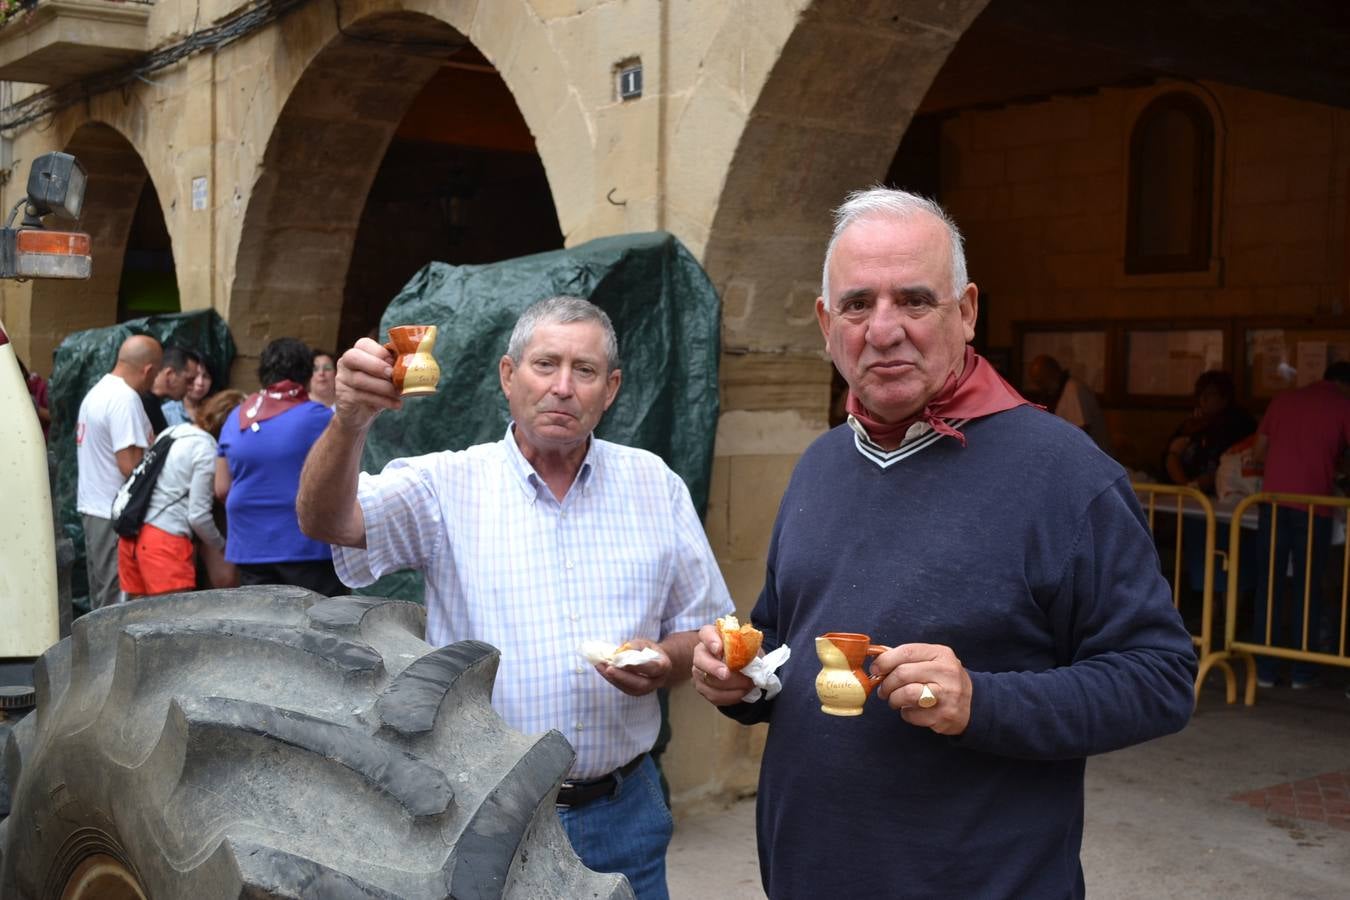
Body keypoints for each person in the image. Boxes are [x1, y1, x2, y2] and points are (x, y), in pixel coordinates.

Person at [690, 188, 1196, 900]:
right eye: (859, 304)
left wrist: (981, 703)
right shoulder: (821, 464)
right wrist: (741, 681)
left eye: (916, 300)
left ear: (966, 312)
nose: (884, 329)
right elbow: (783, 644)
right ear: (826, 323)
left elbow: (1160, 680)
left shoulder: (1064, 474)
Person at [296, 297, 732, 898]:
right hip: (484, 812)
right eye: (544, 364)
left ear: (610, 389)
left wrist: (663, 661)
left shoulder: (654, 484)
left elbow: (703, 630)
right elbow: (327, 520)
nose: (562, 387)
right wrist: (348, 420)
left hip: (622, 811)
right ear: (508, 376)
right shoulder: (444, 485)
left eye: (584, 371)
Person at [1249, 361, 1350, 689]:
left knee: (1270, 584)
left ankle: (1264, 669)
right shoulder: (1343, 405)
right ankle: (1302, 673)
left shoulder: (1283, 400)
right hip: (1314, 505)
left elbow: (1259, 452)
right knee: (1308, 587)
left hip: (1273, 502)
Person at [216, 338, 342, 595]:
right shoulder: (319, 417)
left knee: (259, 628)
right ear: (306, 374)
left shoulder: (235, 417)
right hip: (306, 545)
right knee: (314, 627)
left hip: (249, 543)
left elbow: (221, 488)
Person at [76, 334, 161, 609]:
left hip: (96, 510)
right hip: (114, 514)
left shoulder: (99, 391)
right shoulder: (124, 398)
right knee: (116, 605)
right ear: (148, 370)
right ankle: (109, 654)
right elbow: (130, 466)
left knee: (103, 599)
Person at [117, 411, 226, 598]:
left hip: (131, 536)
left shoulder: (172, 432)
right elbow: (198, 516)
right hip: (164, 542)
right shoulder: (206, 449)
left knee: (136, 621)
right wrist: (222, 545)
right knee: (173, 620)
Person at [1164, 370, 1255, 493]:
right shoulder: (1191, 424)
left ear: (1225, 398)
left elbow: (1234, 465)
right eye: (1200, 394)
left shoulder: (1239, 425)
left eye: (1210, 394)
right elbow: (1169, 456)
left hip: (1223, 495)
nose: (1203, 399)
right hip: (1183, 496)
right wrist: (1174, 455)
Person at [194, 389, 247, 589]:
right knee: (225, 583)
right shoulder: (208, 449)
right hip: (215, 522)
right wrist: (220, 545)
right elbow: (201, 511)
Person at [1027, 354, 1113, 455]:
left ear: (1053, 374)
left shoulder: (1073, 390)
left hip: (1095, 458)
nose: (1039, 386)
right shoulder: (1052, 395)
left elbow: (1081, 434)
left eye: (1041, 381)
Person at [143, 345, 201, 434]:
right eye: (189, 380)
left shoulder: (153, 405)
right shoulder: (139, 404)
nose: (191, 386)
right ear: (170, 375)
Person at [165, 359, 214, 427]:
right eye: (194, 376)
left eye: (205, 376)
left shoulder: (215, 412)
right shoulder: (166, 412)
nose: (200, 382)